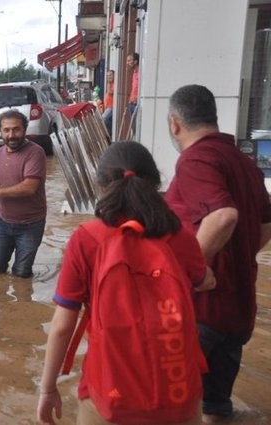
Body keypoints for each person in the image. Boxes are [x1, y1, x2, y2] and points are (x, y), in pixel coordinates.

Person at [37, 141, 215, 425]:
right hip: (178, 395)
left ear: (101, 185)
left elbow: (62, 326)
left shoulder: (87, 238)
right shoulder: (179, 236)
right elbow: (203, 280)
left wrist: (47, 389)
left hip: (110, 396)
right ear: (156, 183)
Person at [164, 84, 271, 423]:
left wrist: (190, 273)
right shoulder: (244, 163)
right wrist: (236, 255)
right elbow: (266, 225)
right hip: (238, 309)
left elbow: (223, 216)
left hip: (202, 311)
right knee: (215, 408)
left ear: (174, 123)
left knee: (163, 406)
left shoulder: (195, 160)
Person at [0, 110, 46, 278]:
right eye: (6, 130)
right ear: (0, 131)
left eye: (16, 129)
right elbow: (5, 178)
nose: (11, 135)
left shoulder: (36, 152)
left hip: (30, 225)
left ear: (25, 129)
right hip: (2, 222)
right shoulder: (0, 152)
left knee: (22, 274)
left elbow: (29, 186)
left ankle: (22, 304)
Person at [101, 70, 114, 138]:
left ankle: (108, 135)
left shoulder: (114, 84)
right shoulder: (109, 84)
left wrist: (108, 83)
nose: (109, 77)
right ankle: (110, 134)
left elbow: (110, 92)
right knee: (108, 121)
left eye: (110, 75)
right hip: (107, 106)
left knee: (103, 118)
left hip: (111, 106)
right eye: (108, 75)